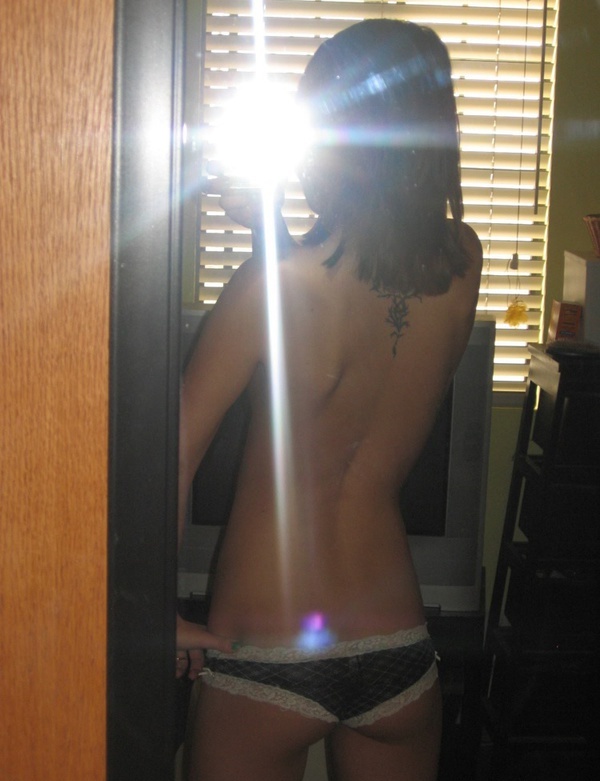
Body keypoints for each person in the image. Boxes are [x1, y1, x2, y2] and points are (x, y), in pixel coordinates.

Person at [176, 18, 482, 781]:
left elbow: (169, 460)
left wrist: (149, 610)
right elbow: (359, 325)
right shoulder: (464, 262)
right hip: (397, 651)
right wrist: (274, 231)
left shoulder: (268, 288)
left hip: (267, 653)